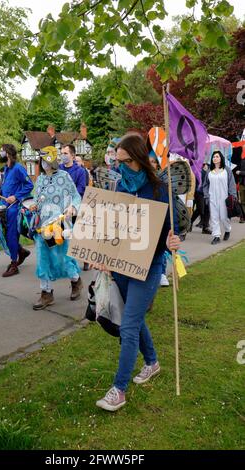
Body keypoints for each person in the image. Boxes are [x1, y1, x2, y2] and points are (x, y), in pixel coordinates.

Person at [95, 133, 180, 411]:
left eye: (125, 161)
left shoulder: (159, 189)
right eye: (116, 161)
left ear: (140, 159)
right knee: (135, 317)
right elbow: (112, 231)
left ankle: (119, 389)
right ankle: (152, 362)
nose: (119, 166)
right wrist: (103, 256)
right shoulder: (119, 189)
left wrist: (173, 241)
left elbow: (173, 230)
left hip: (150, 265)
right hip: (122, 266)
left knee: (128, 325)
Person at [30, 146, 83, 310]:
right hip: (42, 226)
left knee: (63, 258)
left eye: (46, 160)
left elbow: (76, 195)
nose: (44, 163)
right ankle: (46, 292)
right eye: (42, 160)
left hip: (60, 225)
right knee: (42, 259)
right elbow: (37, 199)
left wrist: (72, 207)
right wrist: (34, 205)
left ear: (52, 160)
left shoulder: (64, 176)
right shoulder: (39, 179)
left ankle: (75, 281)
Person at [0, 144, 34, 277]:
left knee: (11, 235)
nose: (0, 153)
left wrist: (16, 196)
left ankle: (14, 264)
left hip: (14, 208)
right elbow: (8, 187)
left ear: (7, 153)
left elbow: (29, 184)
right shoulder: (6, 169)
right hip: (5, 207)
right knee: (5, 234)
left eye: (1, 151)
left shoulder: (18, 168)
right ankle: (21, 251)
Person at [203, 151, 237, 245]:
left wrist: (233, 195)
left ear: (221, 158)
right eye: (213, 157)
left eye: (217, 156)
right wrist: (206, 196)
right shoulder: (209, 171)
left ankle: (227, 229)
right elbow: (205, 185)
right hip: (212, 198)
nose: (215, 158)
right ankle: (216, 236)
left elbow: (232, 184)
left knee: (223, 217)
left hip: (224, 198)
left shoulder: (227, 170)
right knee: (214, 217)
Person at [149, 154, 169, 287]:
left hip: (158, 218)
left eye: (153, 162)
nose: (150, 164)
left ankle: (162, 272)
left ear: (157, 164)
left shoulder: (161, 182)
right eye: (147, 161)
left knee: (159, 244)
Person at [190, 163, 211, 234]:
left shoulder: (208, 170)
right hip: (198, 192)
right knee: (200, 209)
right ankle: (190, 222)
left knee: (207, 209)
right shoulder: (195, 169)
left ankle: (205, 228)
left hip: (207, 192)